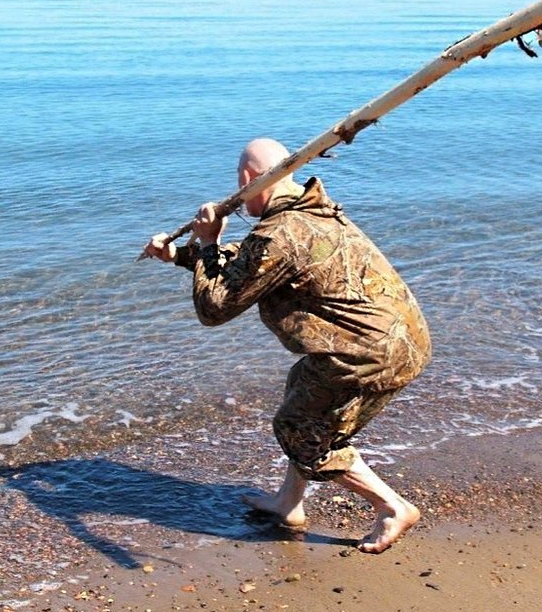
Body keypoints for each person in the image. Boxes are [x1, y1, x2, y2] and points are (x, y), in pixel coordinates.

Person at [144, 138, 431, 553]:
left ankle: (392, 507)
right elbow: (251, 265)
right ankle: (287, 503)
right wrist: (181, 256)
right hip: (403, 342)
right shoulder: (311, 212)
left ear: (246, 180)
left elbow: (216, 307)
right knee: (303, 392)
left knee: (300, 431)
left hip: (366, 353)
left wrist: (208, 244)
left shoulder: (280, 232)